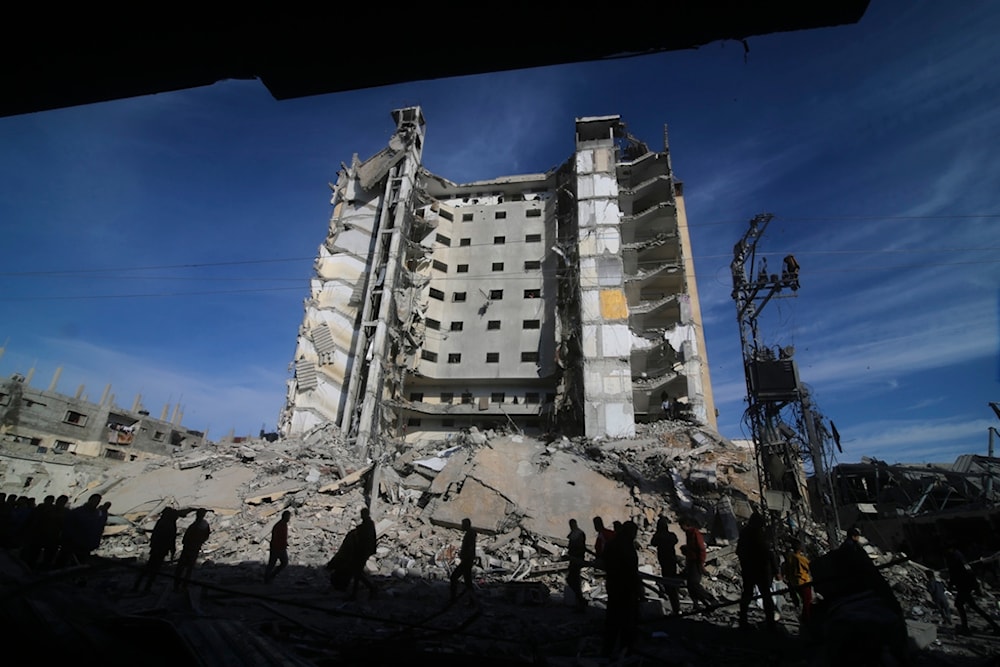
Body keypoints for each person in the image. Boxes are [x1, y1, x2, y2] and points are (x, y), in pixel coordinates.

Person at [602, 520, 640, 657]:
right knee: (627, 621)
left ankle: (608, 648)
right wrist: (638, 589)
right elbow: (631, 570)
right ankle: (625, 650)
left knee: (612, 618)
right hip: (626, 588)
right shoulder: (627, 547)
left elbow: (604, 561)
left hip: (613, 585)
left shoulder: (612, 543)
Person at [945, 545, 1000, 636]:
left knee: (959, 604)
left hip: (963, 586)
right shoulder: (959, 556)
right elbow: (967, 571)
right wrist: (975, 586)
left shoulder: (953, 558)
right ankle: (995, 626)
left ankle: (965, 628)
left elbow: (954, 574)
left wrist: (950, 586)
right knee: (974, 607)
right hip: (966, 586)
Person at [737, 512, 779, 630]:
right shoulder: (759, 535)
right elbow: (768, 553)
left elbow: (739, 551)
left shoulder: (745, 533)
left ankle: (743, 620)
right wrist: (775, 570)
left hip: (749, 570)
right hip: (760, 570)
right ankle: (770, 623)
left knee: (748, 594)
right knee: (766, 595)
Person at [134, 507, 178, 592]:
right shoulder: (170, 524)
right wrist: (172, 550)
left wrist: (153, 545)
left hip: (156, 547)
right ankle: (147, 586)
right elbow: (172, 538)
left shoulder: (161, 522)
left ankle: (139, 584)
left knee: (149, 566)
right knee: (154, 568)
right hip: (162, 548)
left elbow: (155, 534)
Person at [680, 516, 717, 611]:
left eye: (681, 526)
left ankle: (710, 599)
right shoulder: (689, 533)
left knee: (694, 584)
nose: (681, 528)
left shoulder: (695, 533)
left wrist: (701, 563)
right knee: (690, 586)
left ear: (686, 525)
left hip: (696, 562)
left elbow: (701, 549)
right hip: (691, 562)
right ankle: (697, 604)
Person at [650, 516, 681, 615]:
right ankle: (676, 607)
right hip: (672, 561)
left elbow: (653, 543)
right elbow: (676, 540)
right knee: (672, 583)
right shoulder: (671, 535)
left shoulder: (658, 536)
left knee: (668, 583)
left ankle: (675, 608)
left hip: (664, 561)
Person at [175, 508, 210, 591]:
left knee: (182, 566)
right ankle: (183, 584)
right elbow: (206, 536)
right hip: (194, 547)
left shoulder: (197, 525)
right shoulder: (204, 525)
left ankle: (178, 584)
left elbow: (187, 536)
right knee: (188, 567)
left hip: (190, 547)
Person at [348, 507, 377, 599]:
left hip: (363, 551)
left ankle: (371, 589)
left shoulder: (367, 525)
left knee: (357, 572)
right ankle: (355, 593)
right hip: (363, 551)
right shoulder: (368, 524)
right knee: (357, 572)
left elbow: (366, 538)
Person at [785, 537, 812, 622]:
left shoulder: (790, 557)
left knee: (803, 601)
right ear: (800, 548)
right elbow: (809, 566)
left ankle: (804, 617)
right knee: (807, 601)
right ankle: (806, 618)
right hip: (803, 581)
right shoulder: (800, 558)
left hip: (794, 582)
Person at [450, 518, 477, 604]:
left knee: (454, 577)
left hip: (466, 561)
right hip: (467, 561)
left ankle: (453, 598)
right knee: (468, 582)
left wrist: (465, 557)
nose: (461, 526)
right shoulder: (470, 533)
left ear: (466, 525)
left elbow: (469, 548)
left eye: (463, 524)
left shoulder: (470, 534)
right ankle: (472, 600)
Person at [264, 510, 291, 583]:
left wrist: (285, 543)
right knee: (274, 563)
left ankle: (270, 576)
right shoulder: (279, 525)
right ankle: (268, 578)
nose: (289, 518)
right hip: (277, 548)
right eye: (288, 517)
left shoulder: (284, 524)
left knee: (282, 563)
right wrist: (278, 547)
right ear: (284, 517)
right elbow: (276, 537)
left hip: (281, 547)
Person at [566, 518, 587, 611]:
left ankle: (580, 600)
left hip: (576, 560)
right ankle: (580, 600)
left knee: (572, 579)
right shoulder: (577, 533)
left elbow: (579, 548)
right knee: (574, 580)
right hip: (575, 560)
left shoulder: (577, 534)